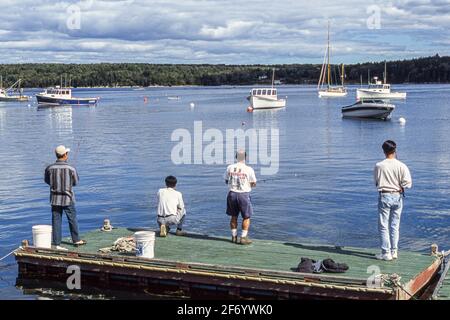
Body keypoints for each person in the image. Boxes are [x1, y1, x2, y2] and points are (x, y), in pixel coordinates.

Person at [374, 140, 412, 261]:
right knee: (395, 225)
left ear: (383, 151)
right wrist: (401, 187)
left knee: (383, 225)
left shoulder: (379, 165)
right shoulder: (402, 165)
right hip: (397, 196)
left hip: (384, 195)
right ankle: (394, 251)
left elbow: (376, 182)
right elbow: (408, 183)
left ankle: (386, 253)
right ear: (395, 150)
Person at [44, 145, 86, 250]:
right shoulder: (71, 168)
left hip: (54, 199)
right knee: (72, 219)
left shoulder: (49, 168)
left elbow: (47, 181)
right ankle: (76, 240)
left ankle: (57, 242)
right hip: (68, 198)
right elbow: (75, 182)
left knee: (56, 220)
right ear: (65, 155)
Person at [224, 149, 257, 245]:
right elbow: (253, 183)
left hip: (232, 194)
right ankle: (243, 238)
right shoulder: (249, 169)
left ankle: (234, 237)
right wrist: (252, 184)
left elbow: (226, 180)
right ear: (245, 157)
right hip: (243, 194)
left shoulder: (230, 167)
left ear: (236, 157)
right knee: (246, 217)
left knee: (233, 216)